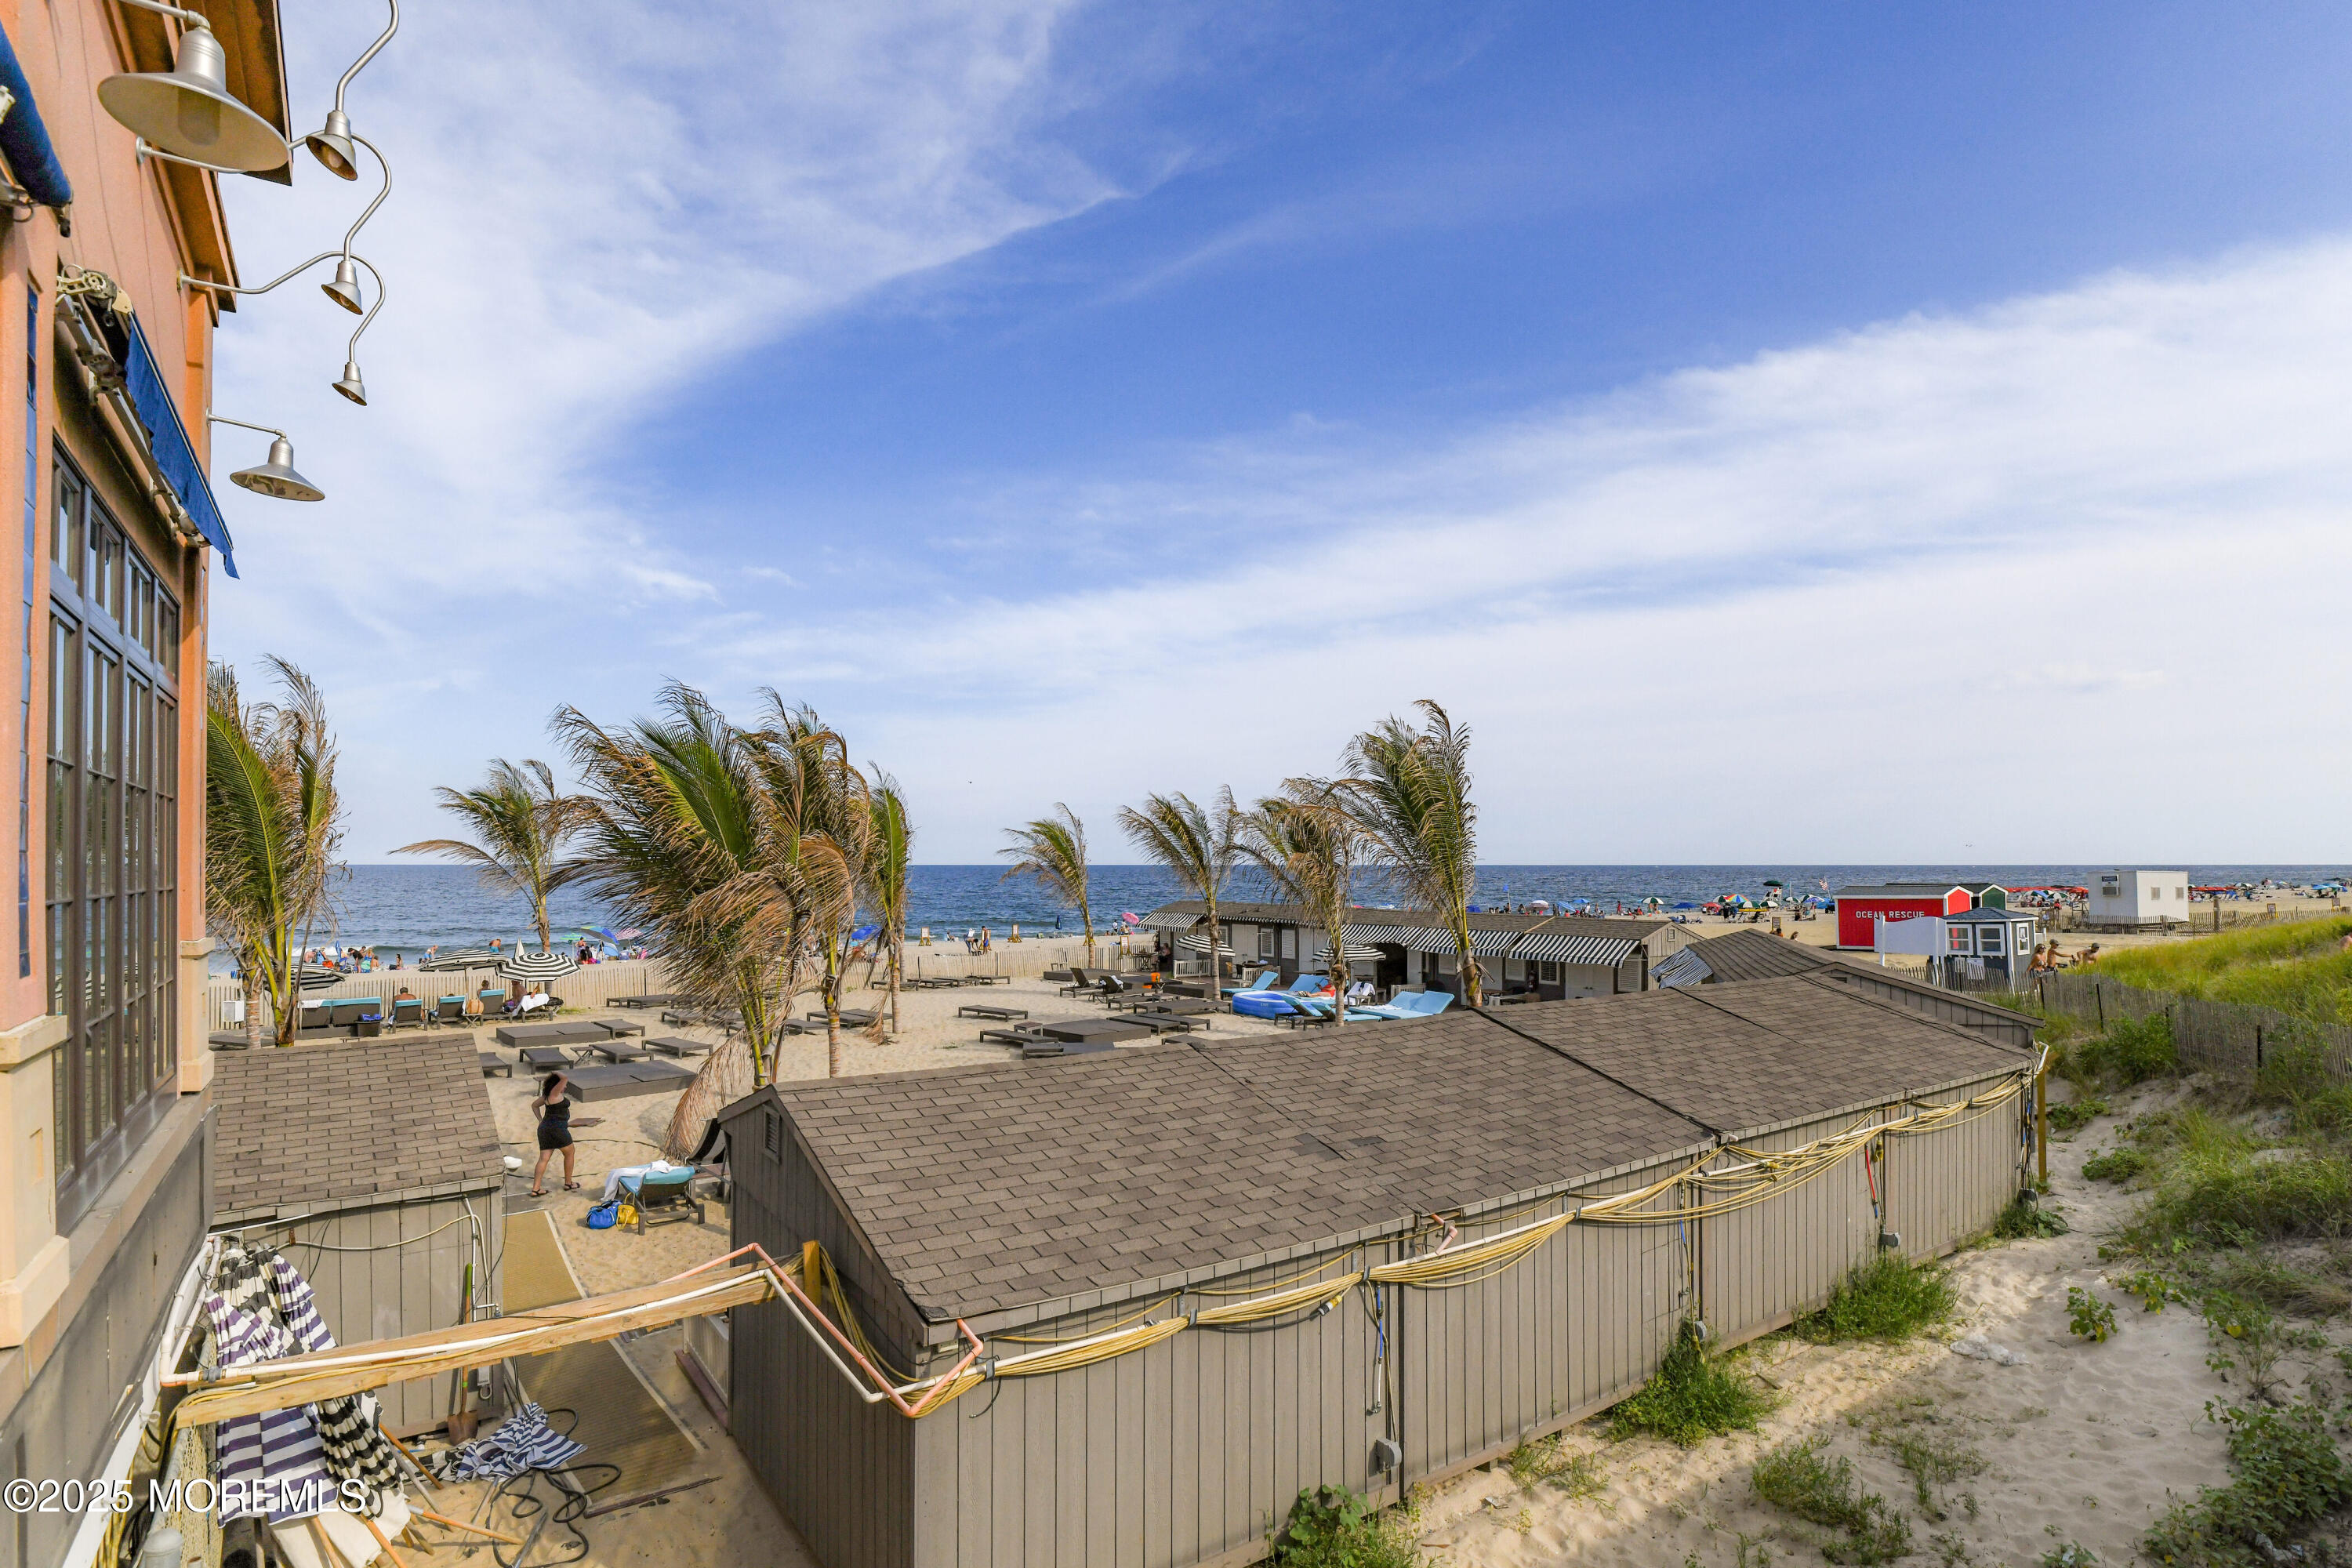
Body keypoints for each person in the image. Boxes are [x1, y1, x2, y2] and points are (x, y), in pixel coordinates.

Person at [531, 1073, 578, 1195]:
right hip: (557, 1130)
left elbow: (534, 1105)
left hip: (545, 1129)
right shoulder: (555, 1093)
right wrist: (554, 1072)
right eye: (564, 1085)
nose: (565, 1087)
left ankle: (536, 1189)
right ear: (557, 1085)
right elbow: (565, 1077)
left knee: (543, 1159)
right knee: (570, 1153)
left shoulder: (546, 1096)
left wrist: (541, 1120)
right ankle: (568, 1183)